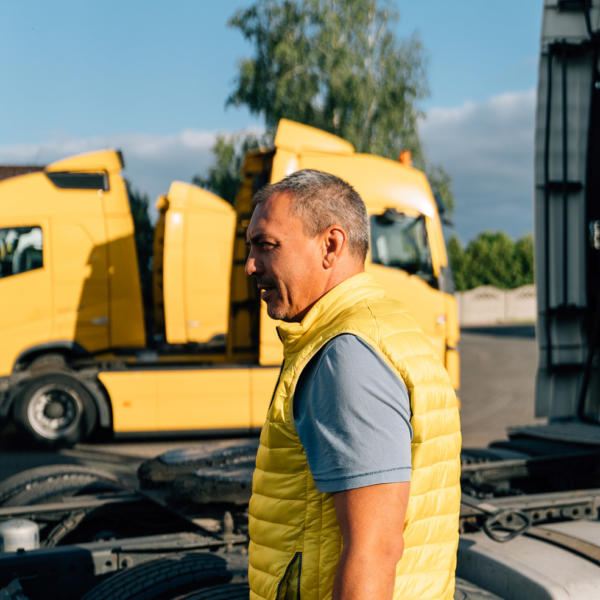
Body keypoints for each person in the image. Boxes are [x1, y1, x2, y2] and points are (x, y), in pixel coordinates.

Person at [245, 169, 461, 600]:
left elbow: (375, 549)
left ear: (331, 245)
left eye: (266, 246)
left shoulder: (347, 354)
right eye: (250, 248)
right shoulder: (381, 325)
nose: (251, 266)